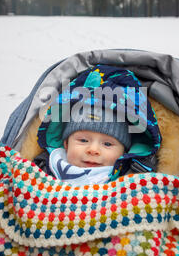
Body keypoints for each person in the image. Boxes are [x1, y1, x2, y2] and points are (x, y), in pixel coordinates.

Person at [34, 64, 162, 185]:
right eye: (83, 140)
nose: (93, 150)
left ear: (124, 151)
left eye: (107, 144)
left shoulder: (134, 177)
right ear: (66, 144)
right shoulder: (44, 168)